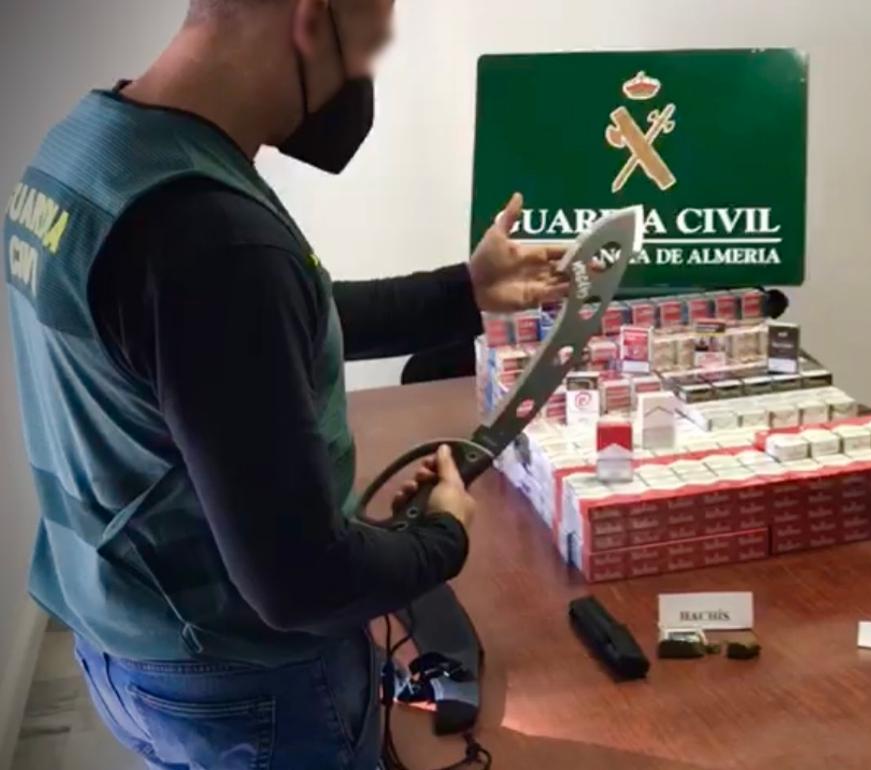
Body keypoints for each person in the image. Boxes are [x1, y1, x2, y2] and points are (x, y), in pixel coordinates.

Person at [2, 0, 567, 767]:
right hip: (242, 682)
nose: (363, 75)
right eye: (366, 44)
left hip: (122, 634)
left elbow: (250, 331)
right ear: (309, 16)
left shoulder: (89, 150)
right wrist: (444, 535)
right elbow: (304, 584)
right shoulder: (208, 236)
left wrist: (464, 291)